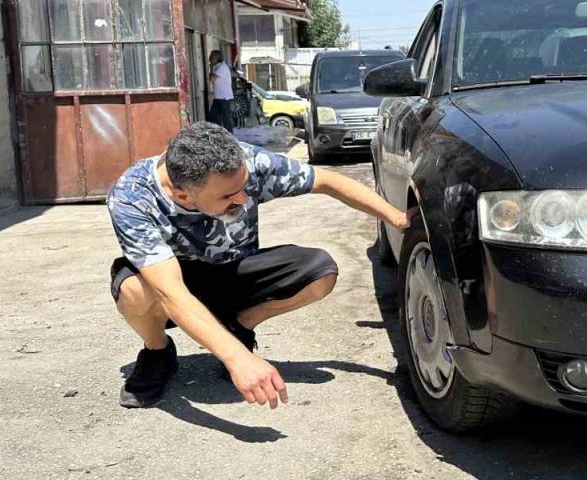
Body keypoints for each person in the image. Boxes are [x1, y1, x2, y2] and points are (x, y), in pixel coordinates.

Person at [106, 122, 408, 409]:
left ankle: (240, 325)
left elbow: (329, 182)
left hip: (235, 270)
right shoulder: (133, 198)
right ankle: (158, 352)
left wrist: (397, 219)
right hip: (179, 283)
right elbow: (171, 293)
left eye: (243, 186)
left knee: (320, 271)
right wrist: (238, 359)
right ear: (183, 193)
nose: (242, 197)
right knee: (134, 290)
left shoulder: (249, 162)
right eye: (227, 195)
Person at [208, 50, 234, 131]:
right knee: (213, 118)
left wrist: (211, 67)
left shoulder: (222, 67)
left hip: (224, 97)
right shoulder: (217, 66)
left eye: (212, 57)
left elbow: (211, 78)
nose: (210, 59)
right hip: (218, 97)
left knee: (226, 119)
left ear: (217, 58)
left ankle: (230, 137)